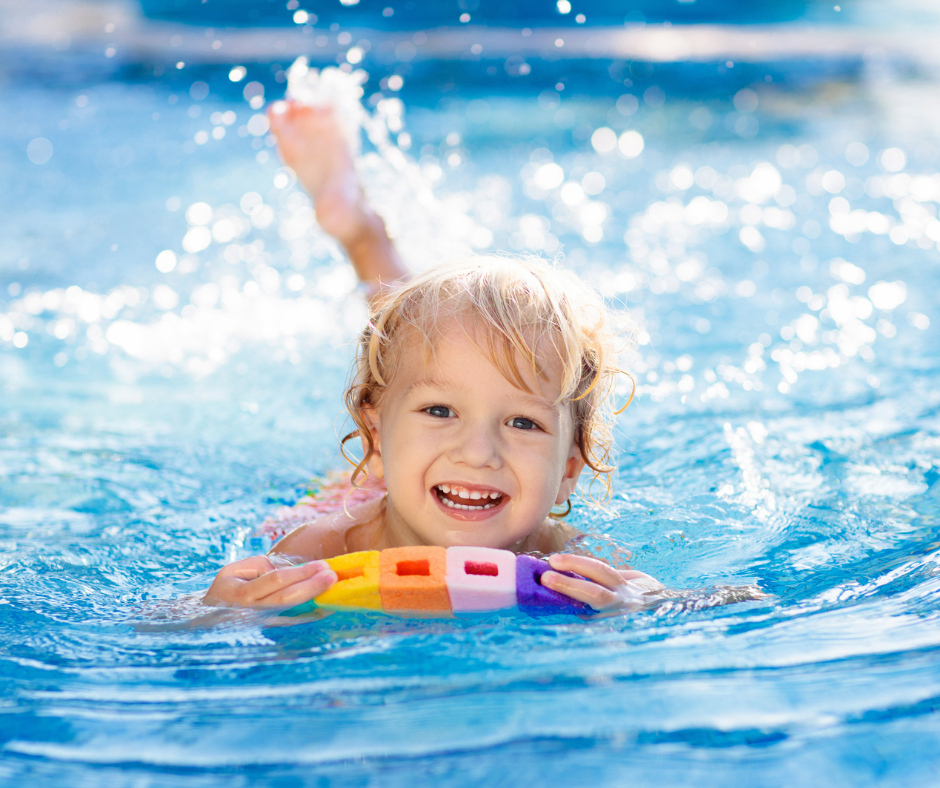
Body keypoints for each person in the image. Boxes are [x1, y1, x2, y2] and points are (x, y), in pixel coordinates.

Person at [202, 100, 663, 615]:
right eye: (441, 412)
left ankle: (361, 230)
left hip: (414, 466)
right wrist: (224, 608)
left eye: (523, 422)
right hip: (356, 493)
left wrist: (641, 602)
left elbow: (730, 602)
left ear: (569, 471)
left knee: (421, 358)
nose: (478, 452)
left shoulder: (573, 558)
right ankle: (359, 229)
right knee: (405, 345)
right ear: (373, 440)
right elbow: (164, 632)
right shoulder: (322, 548)